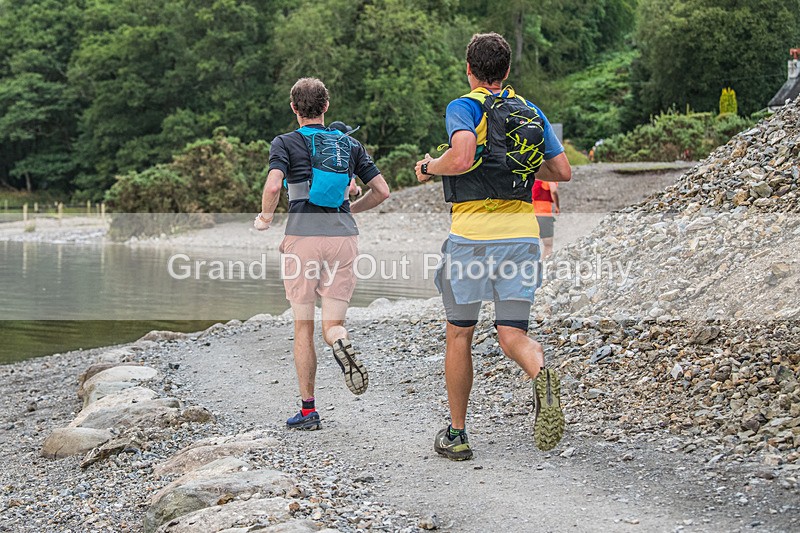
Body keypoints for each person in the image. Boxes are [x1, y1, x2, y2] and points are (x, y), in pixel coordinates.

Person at [415, 33, 571, 460]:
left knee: (460, 334)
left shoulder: (464, 106)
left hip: (474, 239)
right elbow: (562, 170)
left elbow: (462, 156)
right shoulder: (530, 110)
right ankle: (540, 371)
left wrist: (429, 166)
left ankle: (458, 434)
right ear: (506, 71)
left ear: (469, 70)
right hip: (522, 236)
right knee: (511, 333)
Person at [255, 77, 390, 430]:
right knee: (333, 323)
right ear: (326, 107)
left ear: (294, 108)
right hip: (343, 237)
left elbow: (273, 185)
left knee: (303, 325)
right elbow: (382, 191)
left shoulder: (284, 143)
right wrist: (351, 209)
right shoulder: (349, 145)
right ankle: (340, 341)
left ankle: (308, 410)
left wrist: (266, 217)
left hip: (304, 237)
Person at [532, 180, 560, 259]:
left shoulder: (532, 178)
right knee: (548, 245)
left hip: (530, 214)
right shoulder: (548, 178)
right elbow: (553, 190)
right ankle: (543, 267)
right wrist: (557, 206)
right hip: (544, 214)